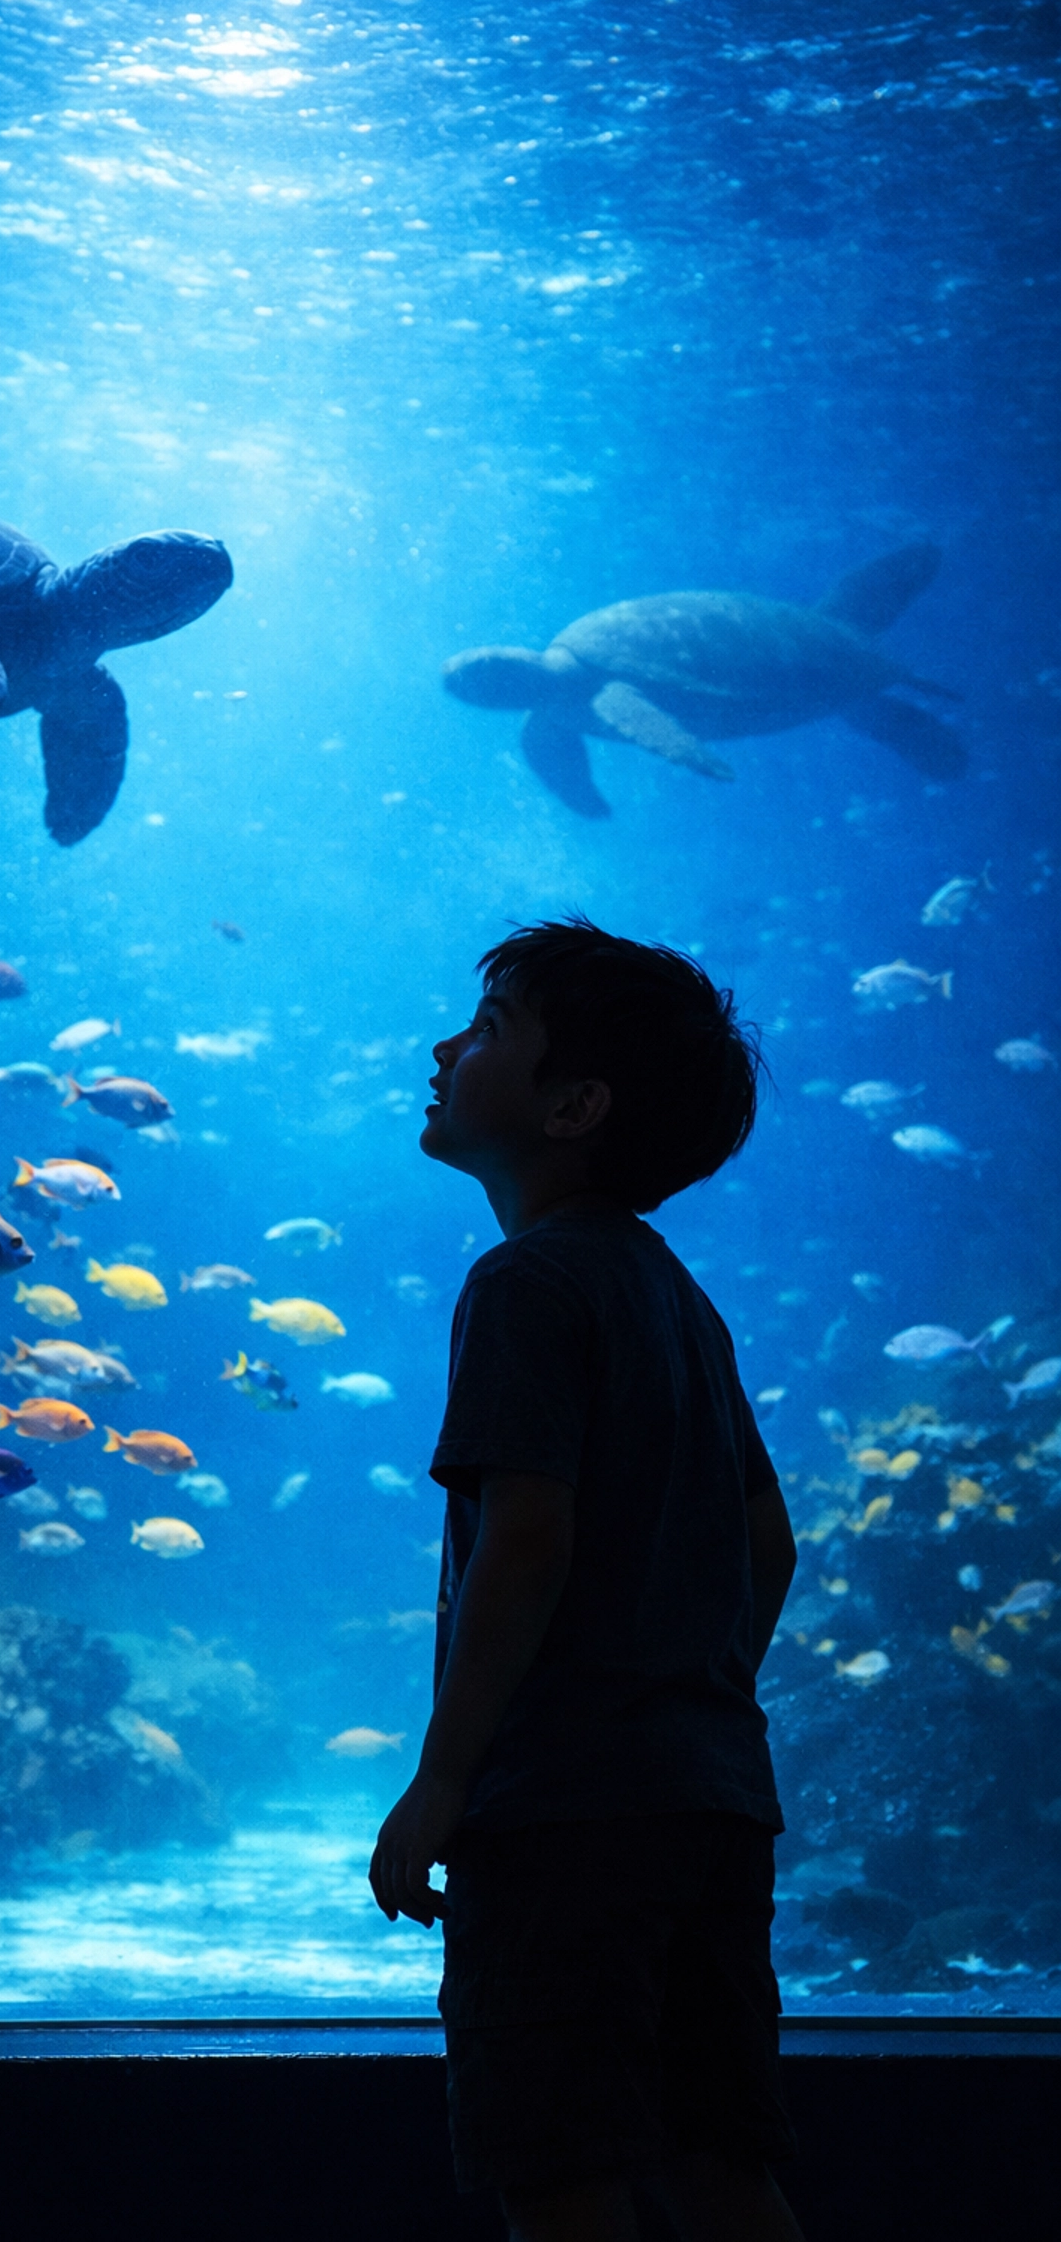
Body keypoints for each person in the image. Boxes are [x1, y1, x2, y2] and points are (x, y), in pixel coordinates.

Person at [369, 918, 805, 2242]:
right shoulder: (676, 1296)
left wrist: (446, 1781)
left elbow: (528, 1536)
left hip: (560, 1815)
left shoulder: (526, 1283)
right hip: (710, 1802)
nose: (449, 1046)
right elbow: (770, 1539)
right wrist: (682, 1689)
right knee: (721, 2164)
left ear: (574, 1105)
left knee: (561, 2172)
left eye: (491, 1025)